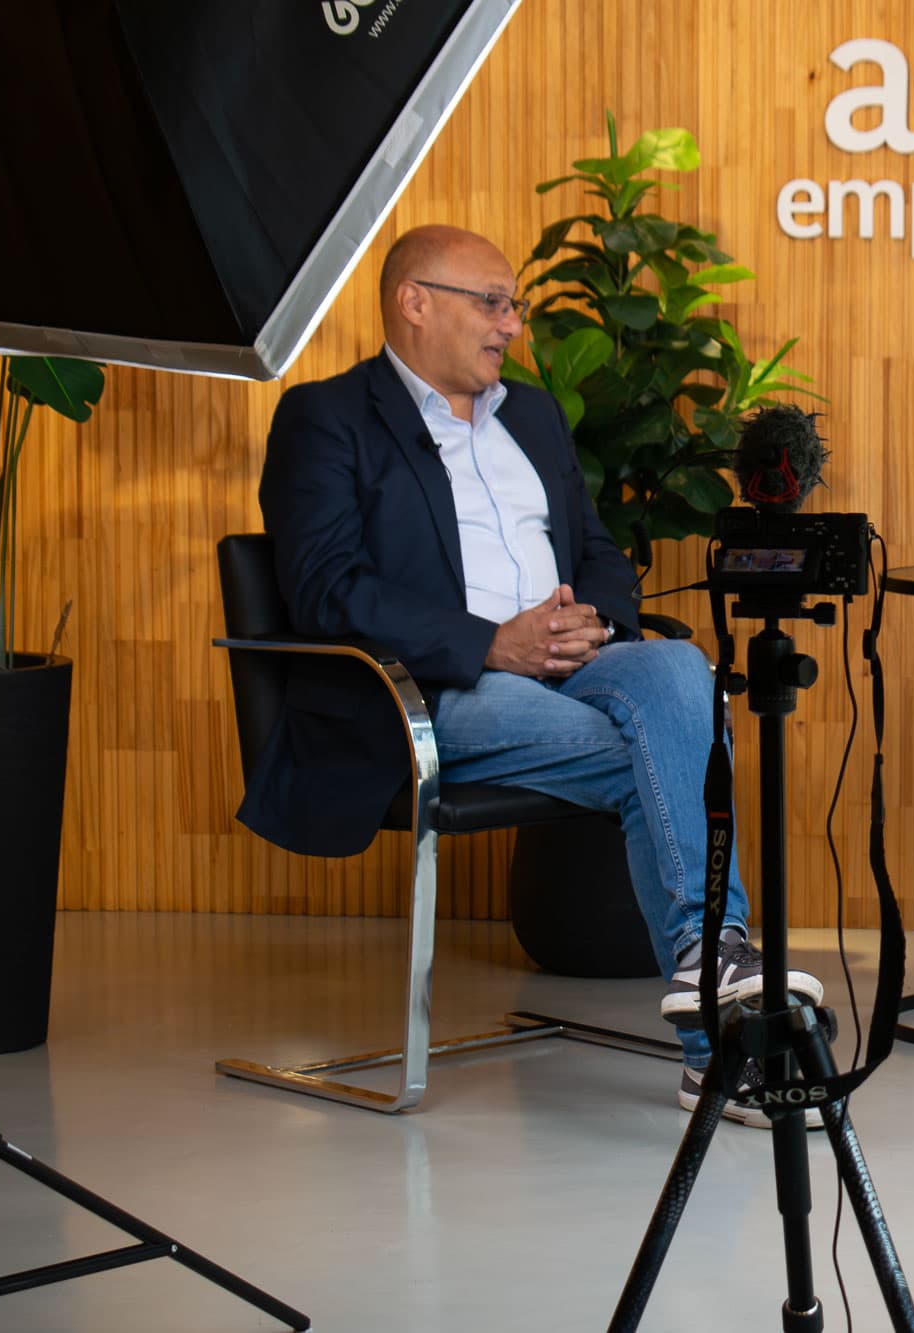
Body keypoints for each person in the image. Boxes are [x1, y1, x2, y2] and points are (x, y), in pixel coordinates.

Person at [241, 223, 820, 1128]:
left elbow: (596, 550)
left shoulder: (535, 417)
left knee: (676, 667)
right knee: (663, 746)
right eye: (493, 302)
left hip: (569, 666)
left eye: (515, 306)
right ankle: (721, 1037)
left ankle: (713, 968)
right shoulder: (327, 418)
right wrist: (490, 643)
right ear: (414, 301)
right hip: (430, 692)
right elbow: (327, 589)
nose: (512, 325)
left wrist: (587, 623)